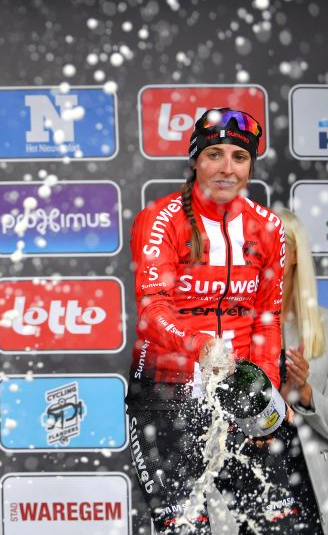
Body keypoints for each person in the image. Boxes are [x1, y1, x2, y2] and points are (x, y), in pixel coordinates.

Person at [125, 107, 319, 533]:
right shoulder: (160, 219)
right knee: (185, 527)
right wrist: (202, 347)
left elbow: (267, 319)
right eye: (215, 154)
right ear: (196, 160)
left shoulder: (267, 227)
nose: (226, 169)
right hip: (166, 396)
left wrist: (265, 393)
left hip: (239, 392)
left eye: (239, 156)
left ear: (250, 165)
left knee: (284, 525)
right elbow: (154, 308)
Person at [275, 207, 328, 532]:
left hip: (312, 488)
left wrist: (307, 396)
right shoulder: (233, 325)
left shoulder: (324, 325)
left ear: (295, 254)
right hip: (251, 482)